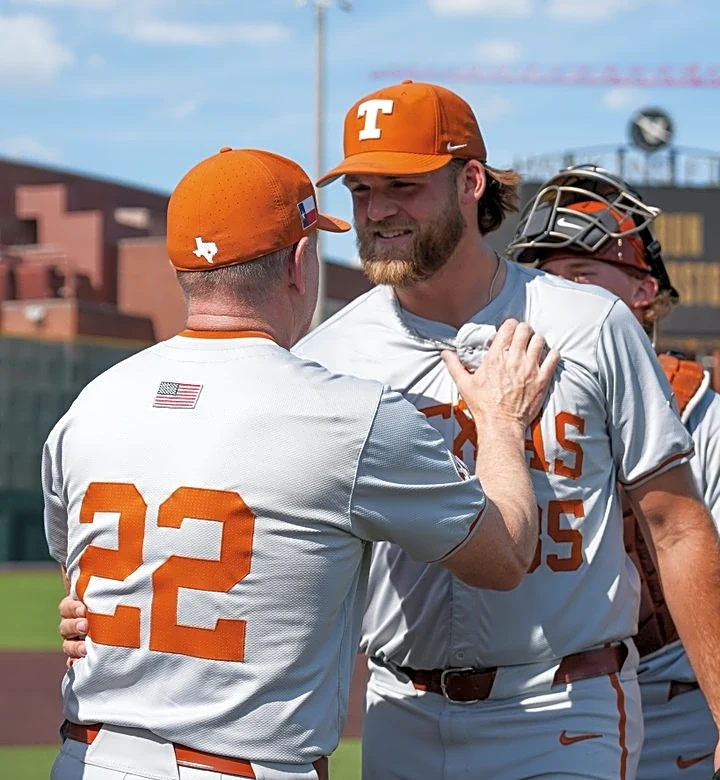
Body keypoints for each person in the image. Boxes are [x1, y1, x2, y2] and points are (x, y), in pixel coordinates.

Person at [57, 82, 720, 779]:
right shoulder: (323, 360)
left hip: (562, 705)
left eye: (403, 185)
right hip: (399, 708)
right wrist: (97, 603)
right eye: (362, 189)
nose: (377, 211)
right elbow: (246, 537)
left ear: (470, 181)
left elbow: (676, 527)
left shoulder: (590, 324)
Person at [43, 146, 557, 780]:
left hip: (87, 758)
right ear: (298, 263)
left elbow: (78, 585)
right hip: (239, 765)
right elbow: (504, 556)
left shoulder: (93, 403)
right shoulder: (348, 414)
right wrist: (503, 424)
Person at [506, 163, 720, 779]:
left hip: (674, 701)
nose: (559, 296)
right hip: (543, 702)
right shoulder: (496, 402)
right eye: (542, 278)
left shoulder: (698, 409)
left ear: (644, 292)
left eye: (581, 275)